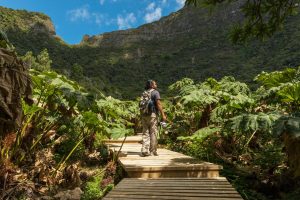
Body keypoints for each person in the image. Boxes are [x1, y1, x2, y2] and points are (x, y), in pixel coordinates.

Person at [141, 80, 166, 157]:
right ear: (152, 85)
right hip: (152, 115)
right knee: (153, 132)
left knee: (145, 133)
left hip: (144, 115)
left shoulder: (144, 93)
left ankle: (145, 150)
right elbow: (158, 104)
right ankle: (153, 151)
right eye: (155, 83)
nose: (156, 84)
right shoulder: (155, 92)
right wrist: (163, 115)